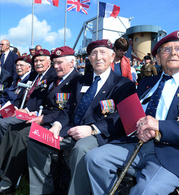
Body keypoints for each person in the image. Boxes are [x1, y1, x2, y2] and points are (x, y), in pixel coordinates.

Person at [85, 30, 179, 195]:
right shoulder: (146, 83)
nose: (173, 52)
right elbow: (130, 112)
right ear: (158, 59)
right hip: (135, 143)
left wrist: (160, 126)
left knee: (145, 191)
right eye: (166, 49)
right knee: (93, 159)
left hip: (175, 153)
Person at [27, 40, 136, 195]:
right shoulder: (80, 81)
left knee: (81, 148)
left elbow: (120, 117)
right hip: (71, 128)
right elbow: (68, 108)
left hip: (99, 134)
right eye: (94, 53)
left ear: (112, 56)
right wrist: (57, 124)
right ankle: (43, 191)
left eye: (103, 52)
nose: (98, 57)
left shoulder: (123, 84)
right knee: (36, 140)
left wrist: (92, 129)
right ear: (89, 58)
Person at [0, 46, 81, 195]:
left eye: (59, 63)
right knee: (12, 130)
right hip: (42, 117)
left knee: (22, 135)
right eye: (55, 63)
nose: (56, 66)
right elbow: (44, 101)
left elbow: (69, 110)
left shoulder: (76, 81)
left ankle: (7, 184)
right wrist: (33, 113)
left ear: (71, 63)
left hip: (56, 123)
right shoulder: (56, 79)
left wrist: (44, 118)